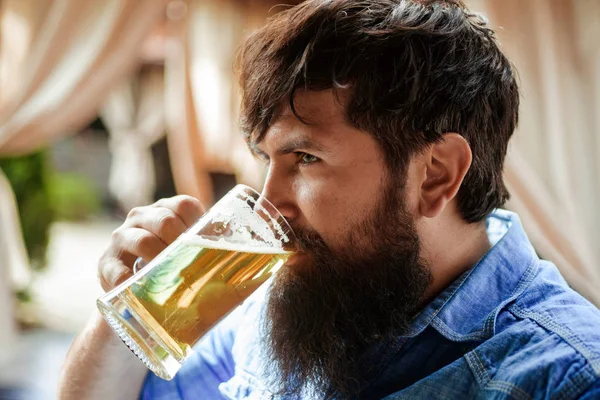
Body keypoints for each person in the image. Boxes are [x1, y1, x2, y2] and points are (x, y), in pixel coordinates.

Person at [59, 0, 600, 399]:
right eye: (267, 159)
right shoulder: (287, 303)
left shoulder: (566, 378)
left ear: (435, 175)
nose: (269, 203)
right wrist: (117, 315)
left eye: (306, 159)